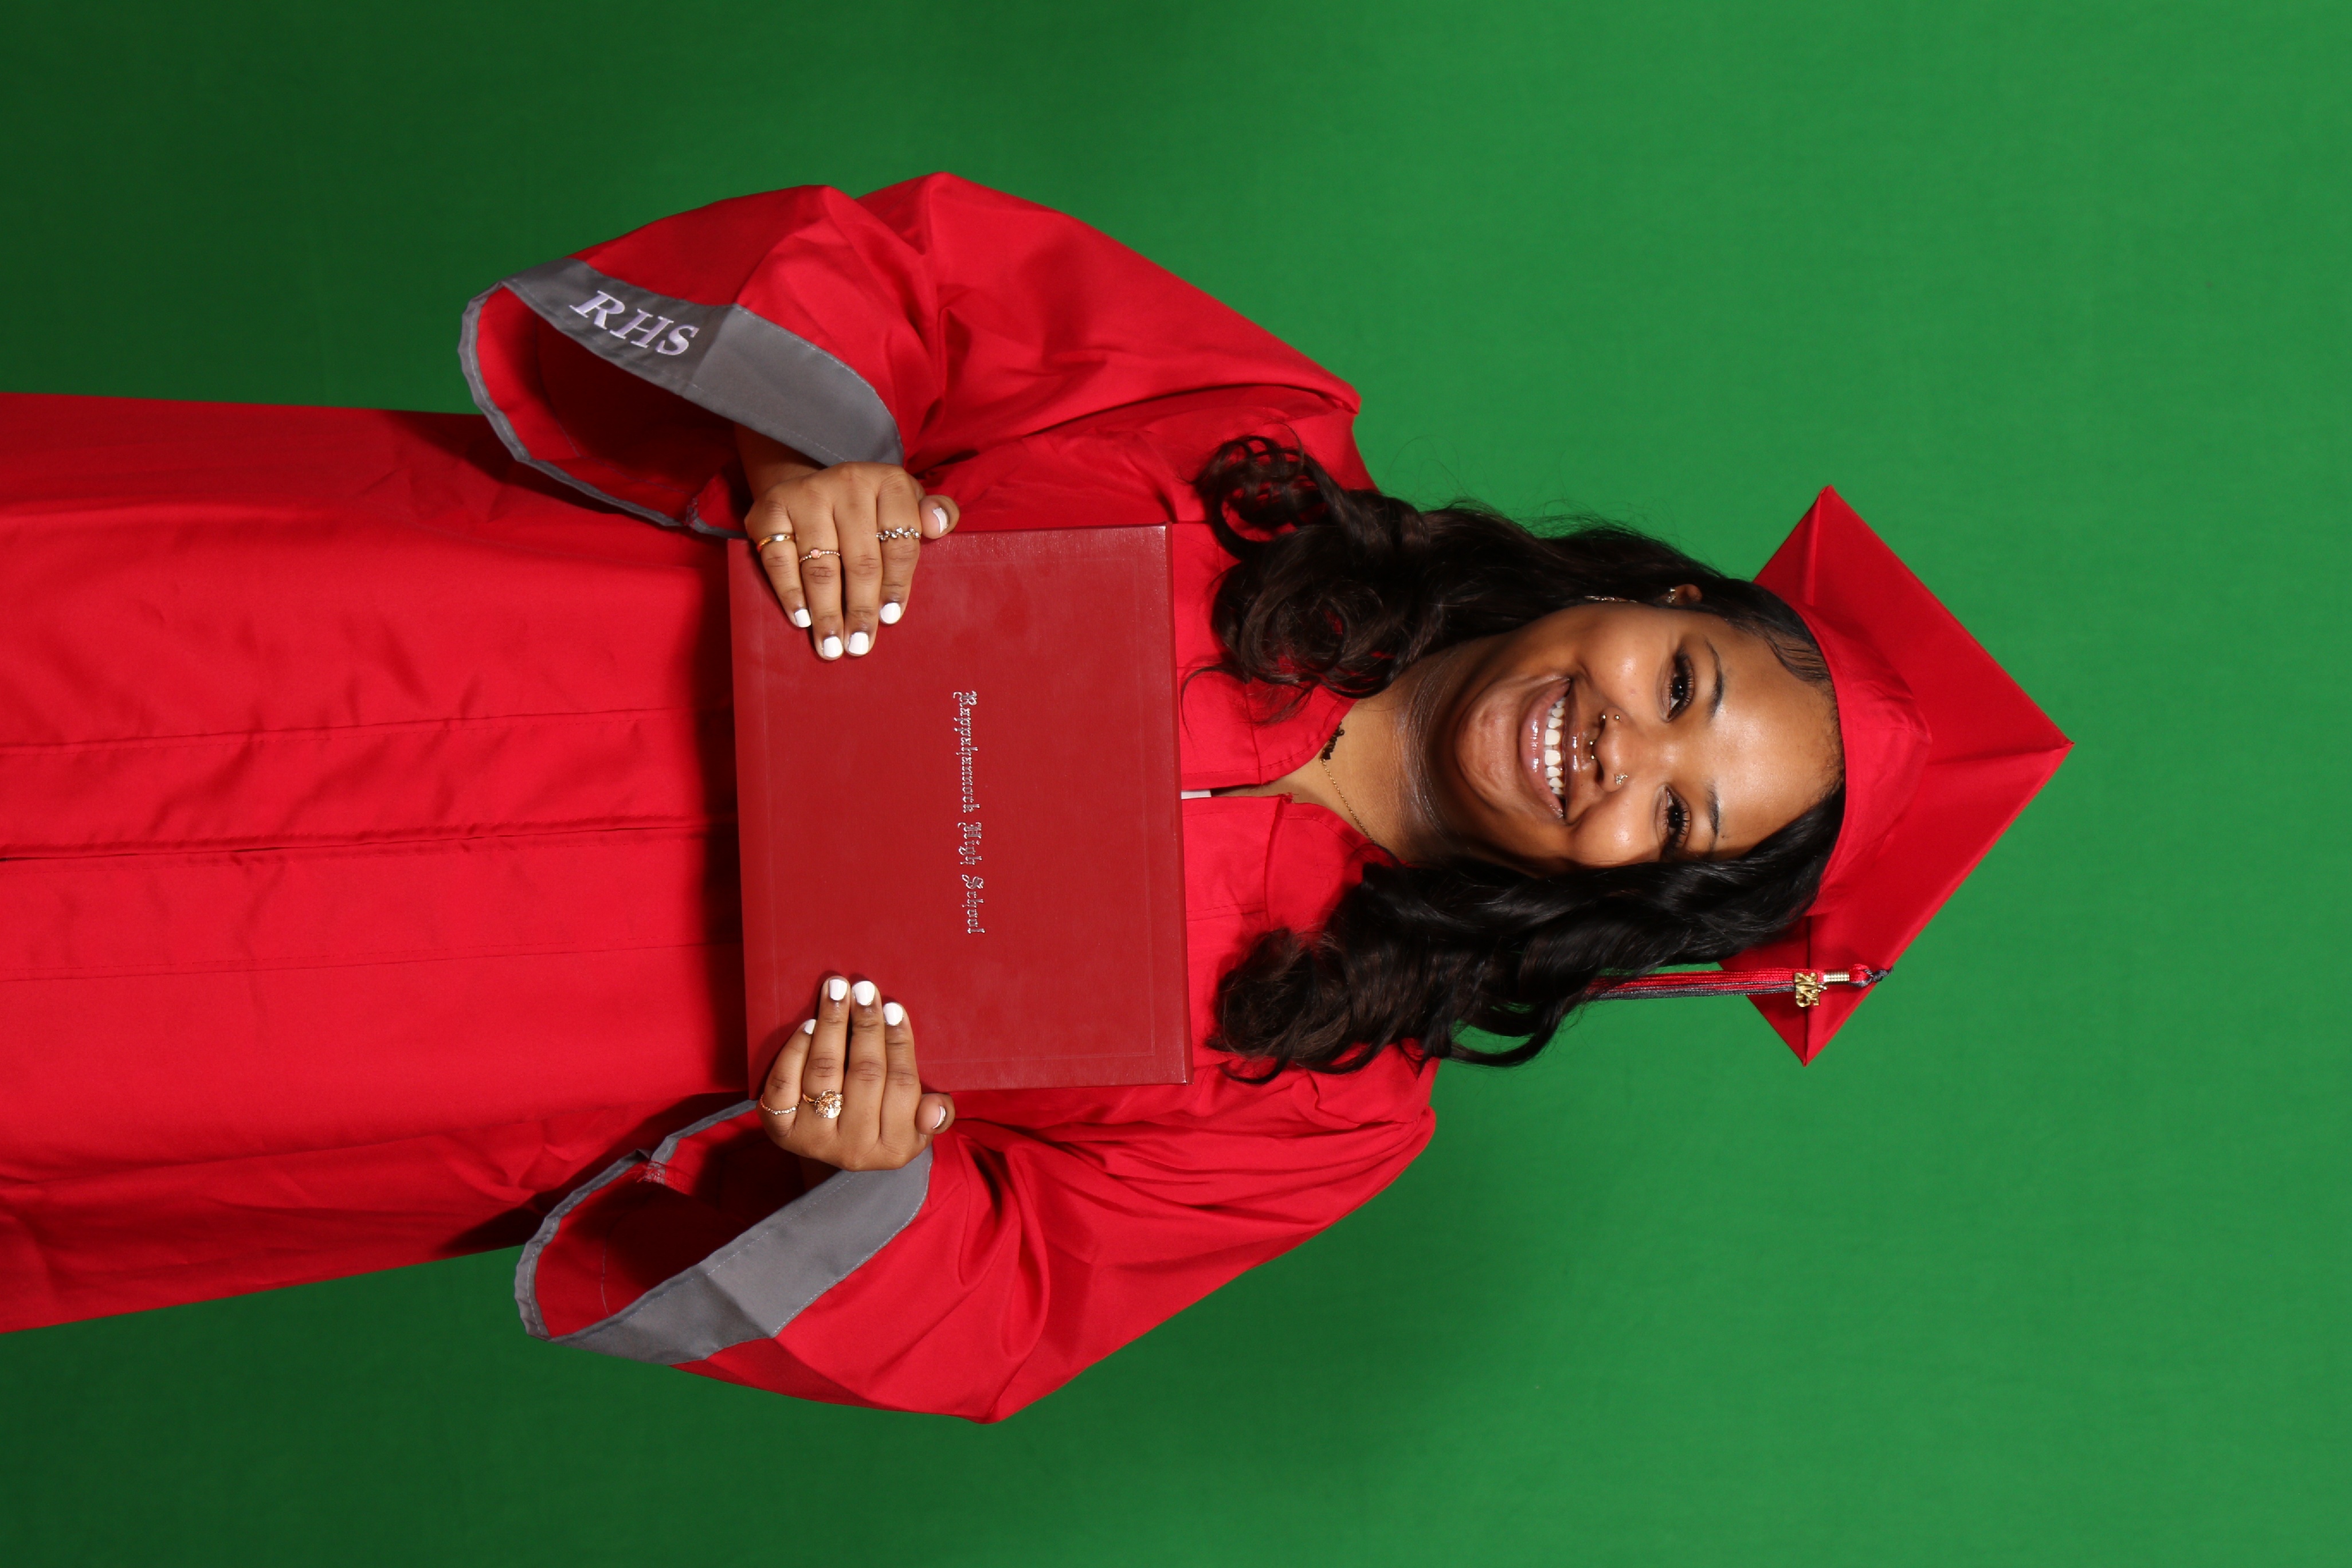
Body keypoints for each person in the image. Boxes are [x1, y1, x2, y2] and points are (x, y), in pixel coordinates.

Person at [0, 175, 2063, 1420]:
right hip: (427, 641)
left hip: (456, 1013)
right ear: (1652, 597)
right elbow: (908, 281)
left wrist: (869, 1173)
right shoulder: (1259, 449)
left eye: (1679, 822)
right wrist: (822, 449)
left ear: (1638, 903)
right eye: (1684, 689)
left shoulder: (1325, 1102)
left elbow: (1002, 1301)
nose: (1623, 754)